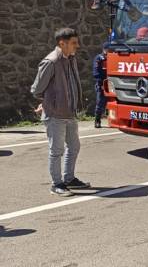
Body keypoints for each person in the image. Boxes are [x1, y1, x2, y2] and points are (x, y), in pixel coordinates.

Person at [30, 28, 91, 197]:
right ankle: (56, 184)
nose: (77, 46)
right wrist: (47, 102)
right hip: (55, 114)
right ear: (61, 43)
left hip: (69, 112)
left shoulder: (70, 58)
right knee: (56, 150)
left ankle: (69, 179)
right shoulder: (51, 61)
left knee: (74, 146)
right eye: (73, 43)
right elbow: (36, 89)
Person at [93, 42, 109, 128]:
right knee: (100, 103)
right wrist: (101, 83)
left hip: (111, 83)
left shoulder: (112, 57)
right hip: (102, 83)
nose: (108, 51)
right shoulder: (99, 58)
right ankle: (97, 120)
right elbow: (96, 72)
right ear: (104, 49)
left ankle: (110, 118)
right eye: (107, 49)